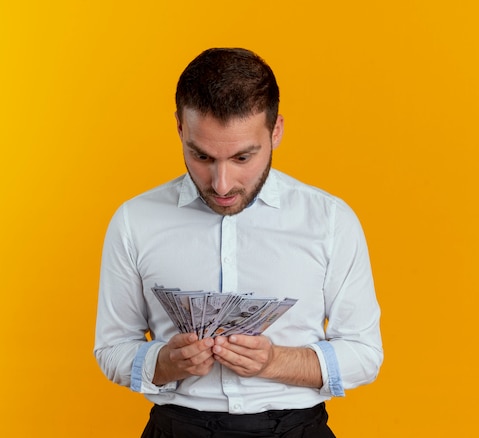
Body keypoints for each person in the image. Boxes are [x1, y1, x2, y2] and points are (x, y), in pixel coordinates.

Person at [94, 47, 383, 437]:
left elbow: (365, 355)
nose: (222, 183)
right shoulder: (135, 221)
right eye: (202, 156)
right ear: (180, 128)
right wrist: (164, 363)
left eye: (243, 158)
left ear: (276, 131)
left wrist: (275, 361)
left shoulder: (330, 220)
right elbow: (112, 347)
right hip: (178, 428)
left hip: (295, 428)